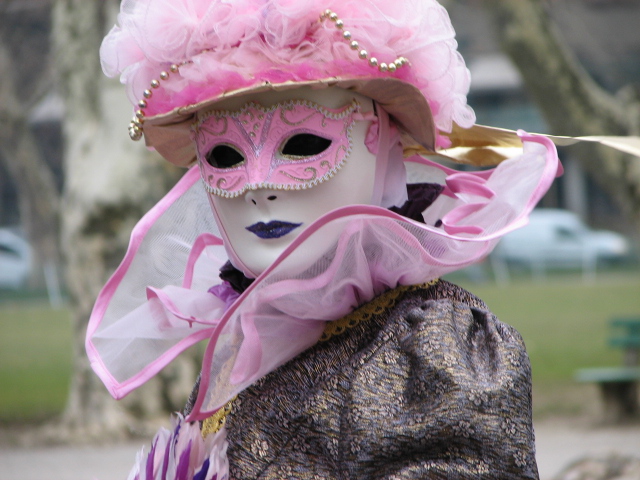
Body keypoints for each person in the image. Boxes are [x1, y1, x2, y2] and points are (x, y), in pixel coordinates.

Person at [87, 0, 564, 478]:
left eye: (303, 144)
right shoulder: (253, 344)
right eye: (224, 154)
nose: (258, 187)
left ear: (384, 140)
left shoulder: (430, 347)